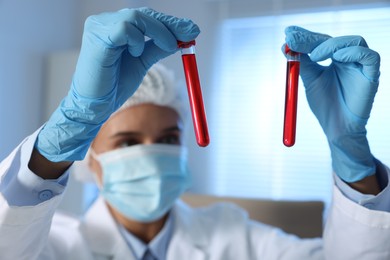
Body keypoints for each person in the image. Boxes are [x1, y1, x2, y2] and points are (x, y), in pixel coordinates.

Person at [0, 7, 389, 260]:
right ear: (89, 158)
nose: (152, 155)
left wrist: (351, 153)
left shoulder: (235, 236)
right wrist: (64, 132)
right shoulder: (59, 245)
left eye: (169, 139)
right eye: (128, 142)